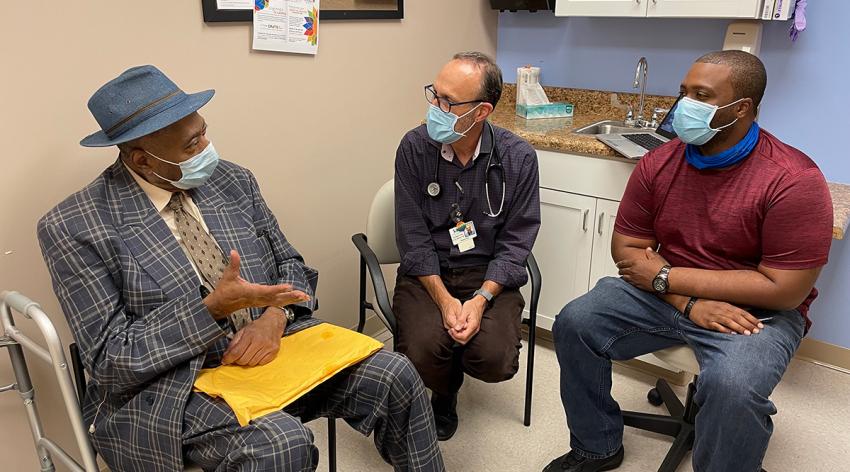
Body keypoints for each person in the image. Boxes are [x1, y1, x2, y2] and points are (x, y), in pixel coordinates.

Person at [37, 65, 445, 472]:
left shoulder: (232, 181)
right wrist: (210, 310)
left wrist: (274, 316)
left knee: (395, 373)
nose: (207, 148)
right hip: (175, 385)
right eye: (192, 145)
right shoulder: (75, 226)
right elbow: (109, 361)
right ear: (144, 160)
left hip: (272, 349)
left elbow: (292, 264)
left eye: (203, 132)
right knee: (280, 445)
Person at [544, 50, 833, 472]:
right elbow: (627, 253)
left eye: (701, 95)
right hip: (662, 293)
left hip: (756, 312)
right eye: (683, 92)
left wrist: (664, 274)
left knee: (733, 386)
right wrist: (684, 298)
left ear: (741, 109)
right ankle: (596, 446)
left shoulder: (793, 180)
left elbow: (785, 290)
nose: (683, 106)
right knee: (575, 323)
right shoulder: (658, 162)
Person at [393, 52, 541, 441]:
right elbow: (412, 236)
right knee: (422, 351)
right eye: (434, 95)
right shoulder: (414, 148)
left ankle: (454, 357)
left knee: (494, 359)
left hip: (487, 272)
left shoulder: (517, 158)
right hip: (430, 271)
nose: (434, 109)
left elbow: (516, 242)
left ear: (481, 112)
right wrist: (444, 301)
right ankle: (445, 392)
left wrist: (478, 301)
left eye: (447, 102)